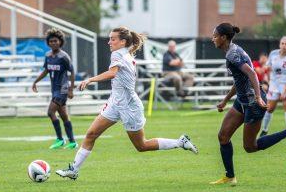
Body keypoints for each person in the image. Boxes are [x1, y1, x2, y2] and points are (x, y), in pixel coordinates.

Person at [55, 27, 198, 180]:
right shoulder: (125, 53)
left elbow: (112, 73)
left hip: (129, 107)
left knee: (141, 146)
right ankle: (74, 170)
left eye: (113, 39)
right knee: (91, 134)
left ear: (122, 42)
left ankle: (180, 142)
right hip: (116, 103)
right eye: (109, 38)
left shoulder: (118, 54)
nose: (109, 42)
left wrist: (90, 79)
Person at [210, 23, 286, 186]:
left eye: (215, 36)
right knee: (223, 136)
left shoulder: (233, 54)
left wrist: (258, 98)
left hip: (253, 103)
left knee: (250, 147)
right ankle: (230, 176)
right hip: (243, 100)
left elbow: (252, 73)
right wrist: (225, 100)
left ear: (223, 37)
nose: (213, 39)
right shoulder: (232, 51)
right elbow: (240, 80)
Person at [32, 28, 77, 150]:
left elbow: (72, 71)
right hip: (54, 90)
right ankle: (72, 142)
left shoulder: (64, 57)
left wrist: (71, 89)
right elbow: (46, 70)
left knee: (50, 112)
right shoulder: (48, 56)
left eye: (55, 41)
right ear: (48, 43)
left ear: (60, 42)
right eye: (51, 41)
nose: (53, 43)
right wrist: (36, 81)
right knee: (64, 116)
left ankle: (60, 140)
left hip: (62, 89)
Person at [260, 37, 286, 137]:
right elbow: (268, 66)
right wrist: (262, 69)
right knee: (270, 108)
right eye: (282, 43)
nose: (284, 45)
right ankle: (264, 129)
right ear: (279, 44)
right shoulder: (273, 54)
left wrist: (284, 92)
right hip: (274, 84)